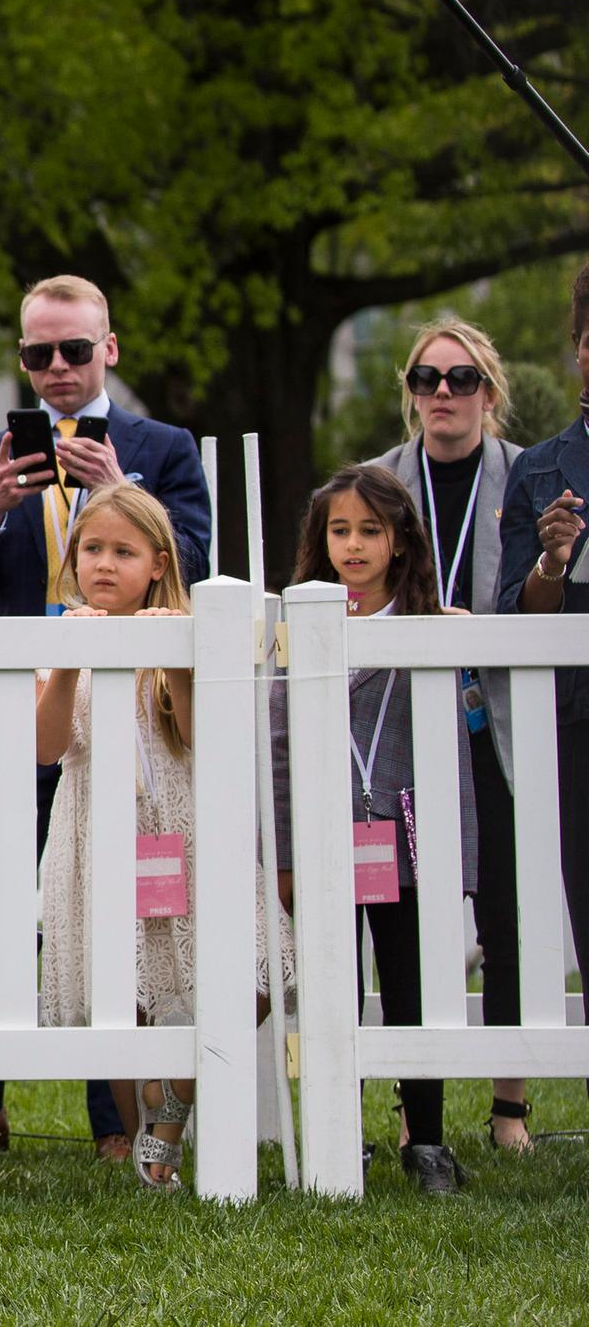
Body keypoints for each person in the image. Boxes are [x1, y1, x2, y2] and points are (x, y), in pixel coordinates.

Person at [0, 273, 212, 1156]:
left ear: (109, 350)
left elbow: (196, 564)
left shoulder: (162, 447)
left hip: (123, 717)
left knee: (111, 897)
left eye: (74, 350)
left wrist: (123, 490)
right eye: (37, 353)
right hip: (9, 710)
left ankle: (113, 1124)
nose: (55, 367)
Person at [33, 484, 291, 1189]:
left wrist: (173, 651)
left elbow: (200, 732)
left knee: (258, 961)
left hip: (179, 829)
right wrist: (64, 659)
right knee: (122, 988)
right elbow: (48, 747)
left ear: (157, 562)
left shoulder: (185, 630)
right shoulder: (61, 637)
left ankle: (168, 1108)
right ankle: (152, 1152)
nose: (105, 564)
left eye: (123, 551)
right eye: (92, 549)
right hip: (96, 834)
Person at [276, 464, 477, 1195]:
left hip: (409, 834)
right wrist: (288, 851)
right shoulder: (294, 624)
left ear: (399, 542)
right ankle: (342, 1134)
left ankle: (426, 1140)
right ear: (319, 539)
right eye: (339, 530)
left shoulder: (430, 624)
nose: (354, 545)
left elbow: (455, 748)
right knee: (334, 985)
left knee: (410, 987)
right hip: (327, 836)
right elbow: (278, 746)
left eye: (370, 530)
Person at [366, 317, 530, 1151]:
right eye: (426, 379)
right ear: (410, 394)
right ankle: (411, 1108)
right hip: (399, 731)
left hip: (492, 725)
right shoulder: (376, 483)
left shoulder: (524, 477)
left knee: (504, 912)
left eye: (461, 379)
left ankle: (509, 1107)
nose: (442, 394)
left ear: (489, 394)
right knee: (407, 919)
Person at [496, 260, 589, 1114]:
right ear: (578, 353)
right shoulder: (543, 472)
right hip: (580, 726)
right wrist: (552, 561)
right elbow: (513, 614)